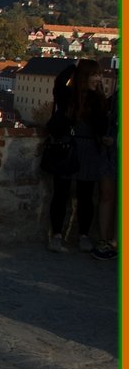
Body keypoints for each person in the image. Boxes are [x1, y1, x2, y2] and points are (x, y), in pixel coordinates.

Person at [47, 59, 108, 255]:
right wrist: (75, 64)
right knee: (62, 194)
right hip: (70, 146)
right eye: (94, 74)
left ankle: (83, 235)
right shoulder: (68, 95)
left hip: (87, 147)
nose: (98, 79)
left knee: (85, 196)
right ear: (85, 76)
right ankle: (57, 234)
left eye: (99, 75)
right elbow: (59, 81)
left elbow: (102, 125)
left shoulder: (97, 99)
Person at [94, 88, 118, 260]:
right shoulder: (117, 96)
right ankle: (104, 240)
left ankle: (116, 242)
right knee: (106, 196)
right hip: (109, 153)